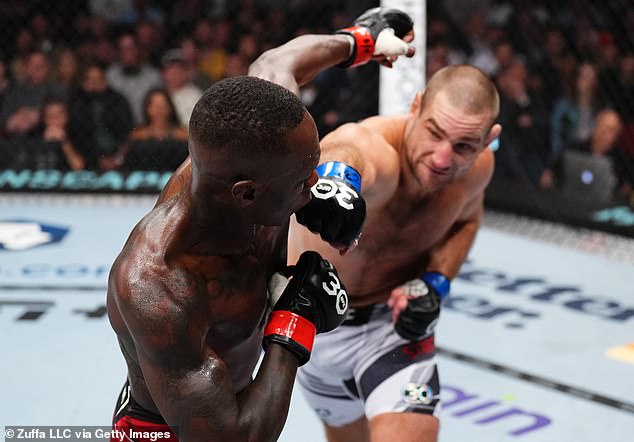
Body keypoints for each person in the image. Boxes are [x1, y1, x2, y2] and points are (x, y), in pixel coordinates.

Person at [106, 8, 415, 442]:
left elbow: (278, 63)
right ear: (247, 193)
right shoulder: (157, 286)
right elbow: (235, 437)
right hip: (170, 429)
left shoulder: (255, 140)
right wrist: (295, 322)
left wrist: (359, 41)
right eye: (302, 178)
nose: (315, 183)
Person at [288, 63, 502, 442]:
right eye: (434, 133)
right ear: (415, 107)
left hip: (392, 327)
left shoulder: (478, 170)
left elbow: (465, 221)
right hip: (313, 320)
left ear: (488, 140)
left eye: (463, 146)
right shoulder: (382, 150)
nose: (441, 158)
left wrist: (437, 282)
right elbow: (350, 147)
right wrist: (338, 179)